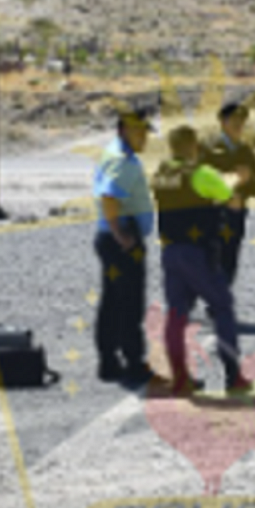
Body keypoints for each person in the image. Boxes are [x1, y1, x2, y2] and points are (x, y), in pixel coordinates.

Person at [151, 124, 252, 395]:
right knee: (222, 307)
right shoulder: (201, 173)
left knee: (176, 315)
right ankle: (233, 377)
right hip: (198, 252)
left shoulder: (161, 174)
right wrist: (236, 181)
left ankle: (180, 377)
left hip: (169, 252)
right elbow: (227, 197)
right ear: (194, 146)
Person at [93, 103, 159, 385]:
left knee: (112, 301)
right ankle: (133, 362)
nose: (143, 137)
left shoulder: (114, 152)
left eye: (145, 131)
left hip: (109, 237)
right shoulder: (123, 160)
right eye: (138, 131)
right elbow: (110, 197)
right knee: (130, 303)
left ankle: (109, 361)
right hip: (121, 238)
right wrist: (123, 236)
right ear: (123, 130)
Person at [199, 97, 255, 288]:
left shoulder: (246, 152)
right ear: (223, 122)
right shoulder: (207, 148)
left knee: (230, 257)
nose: (239, 125)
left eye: (242, 121)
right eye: (234, 120)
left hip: (235, 214)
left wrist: (248, 183)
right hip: (210, 213)